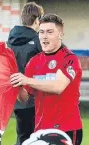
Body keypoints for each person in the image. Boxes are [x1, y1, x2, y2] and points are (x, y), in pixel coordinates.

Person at [10, 13, 83, 145]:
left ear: (60, 34)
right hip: (41, 130)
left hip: (66, 129)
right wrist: (18, 84)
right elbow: (24, 98)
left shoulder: (69, 59)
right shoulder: (34, 62)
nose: (44, 36)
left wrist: (27, 80)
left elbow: (58, 87)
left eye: (49, 32)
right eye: (41, 32)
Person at [6, 2, 44, 145]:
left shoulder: (9, 41)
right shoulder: (39, 41)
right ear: (37, 20)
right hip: (37, 99)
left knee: (23, 138)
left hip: (17, 100)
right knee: (38, 139)